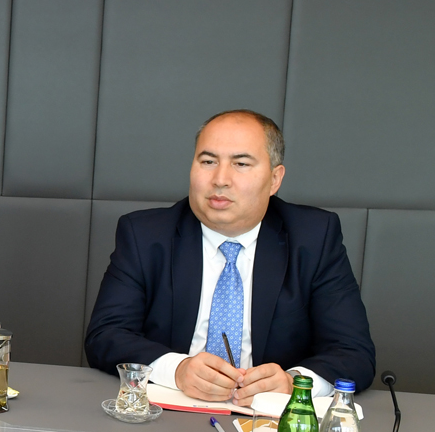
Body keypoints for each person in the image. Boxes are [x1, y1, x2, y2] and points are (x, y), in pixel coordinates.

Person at [85, 110, 375, 400]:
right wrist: (177, 370)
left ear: (275, 179)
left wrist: (293, 384)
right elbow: (106, 335)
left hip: (269, 418)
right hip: (169, 408)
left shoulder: (313, 238)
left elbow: (353, 352)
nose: (220, 179)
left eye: (241, 164)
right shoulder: (145, 235)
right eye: (208, 161)